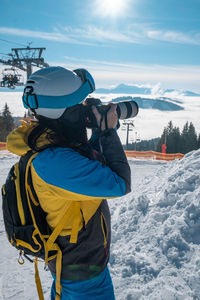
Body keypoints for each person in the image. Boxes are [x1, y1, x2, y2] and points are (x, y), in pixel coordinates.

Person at [6, 66, 131, 299]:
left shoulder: (49, 141)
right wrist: (107, 132)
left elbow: (89, 164)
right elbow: (120, 181)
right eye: (78, 104)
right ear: (60, 111)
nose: (83, 109)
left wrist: (95, 133)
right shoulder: (54, 162)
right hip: (84, 275)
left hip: (72, 264)